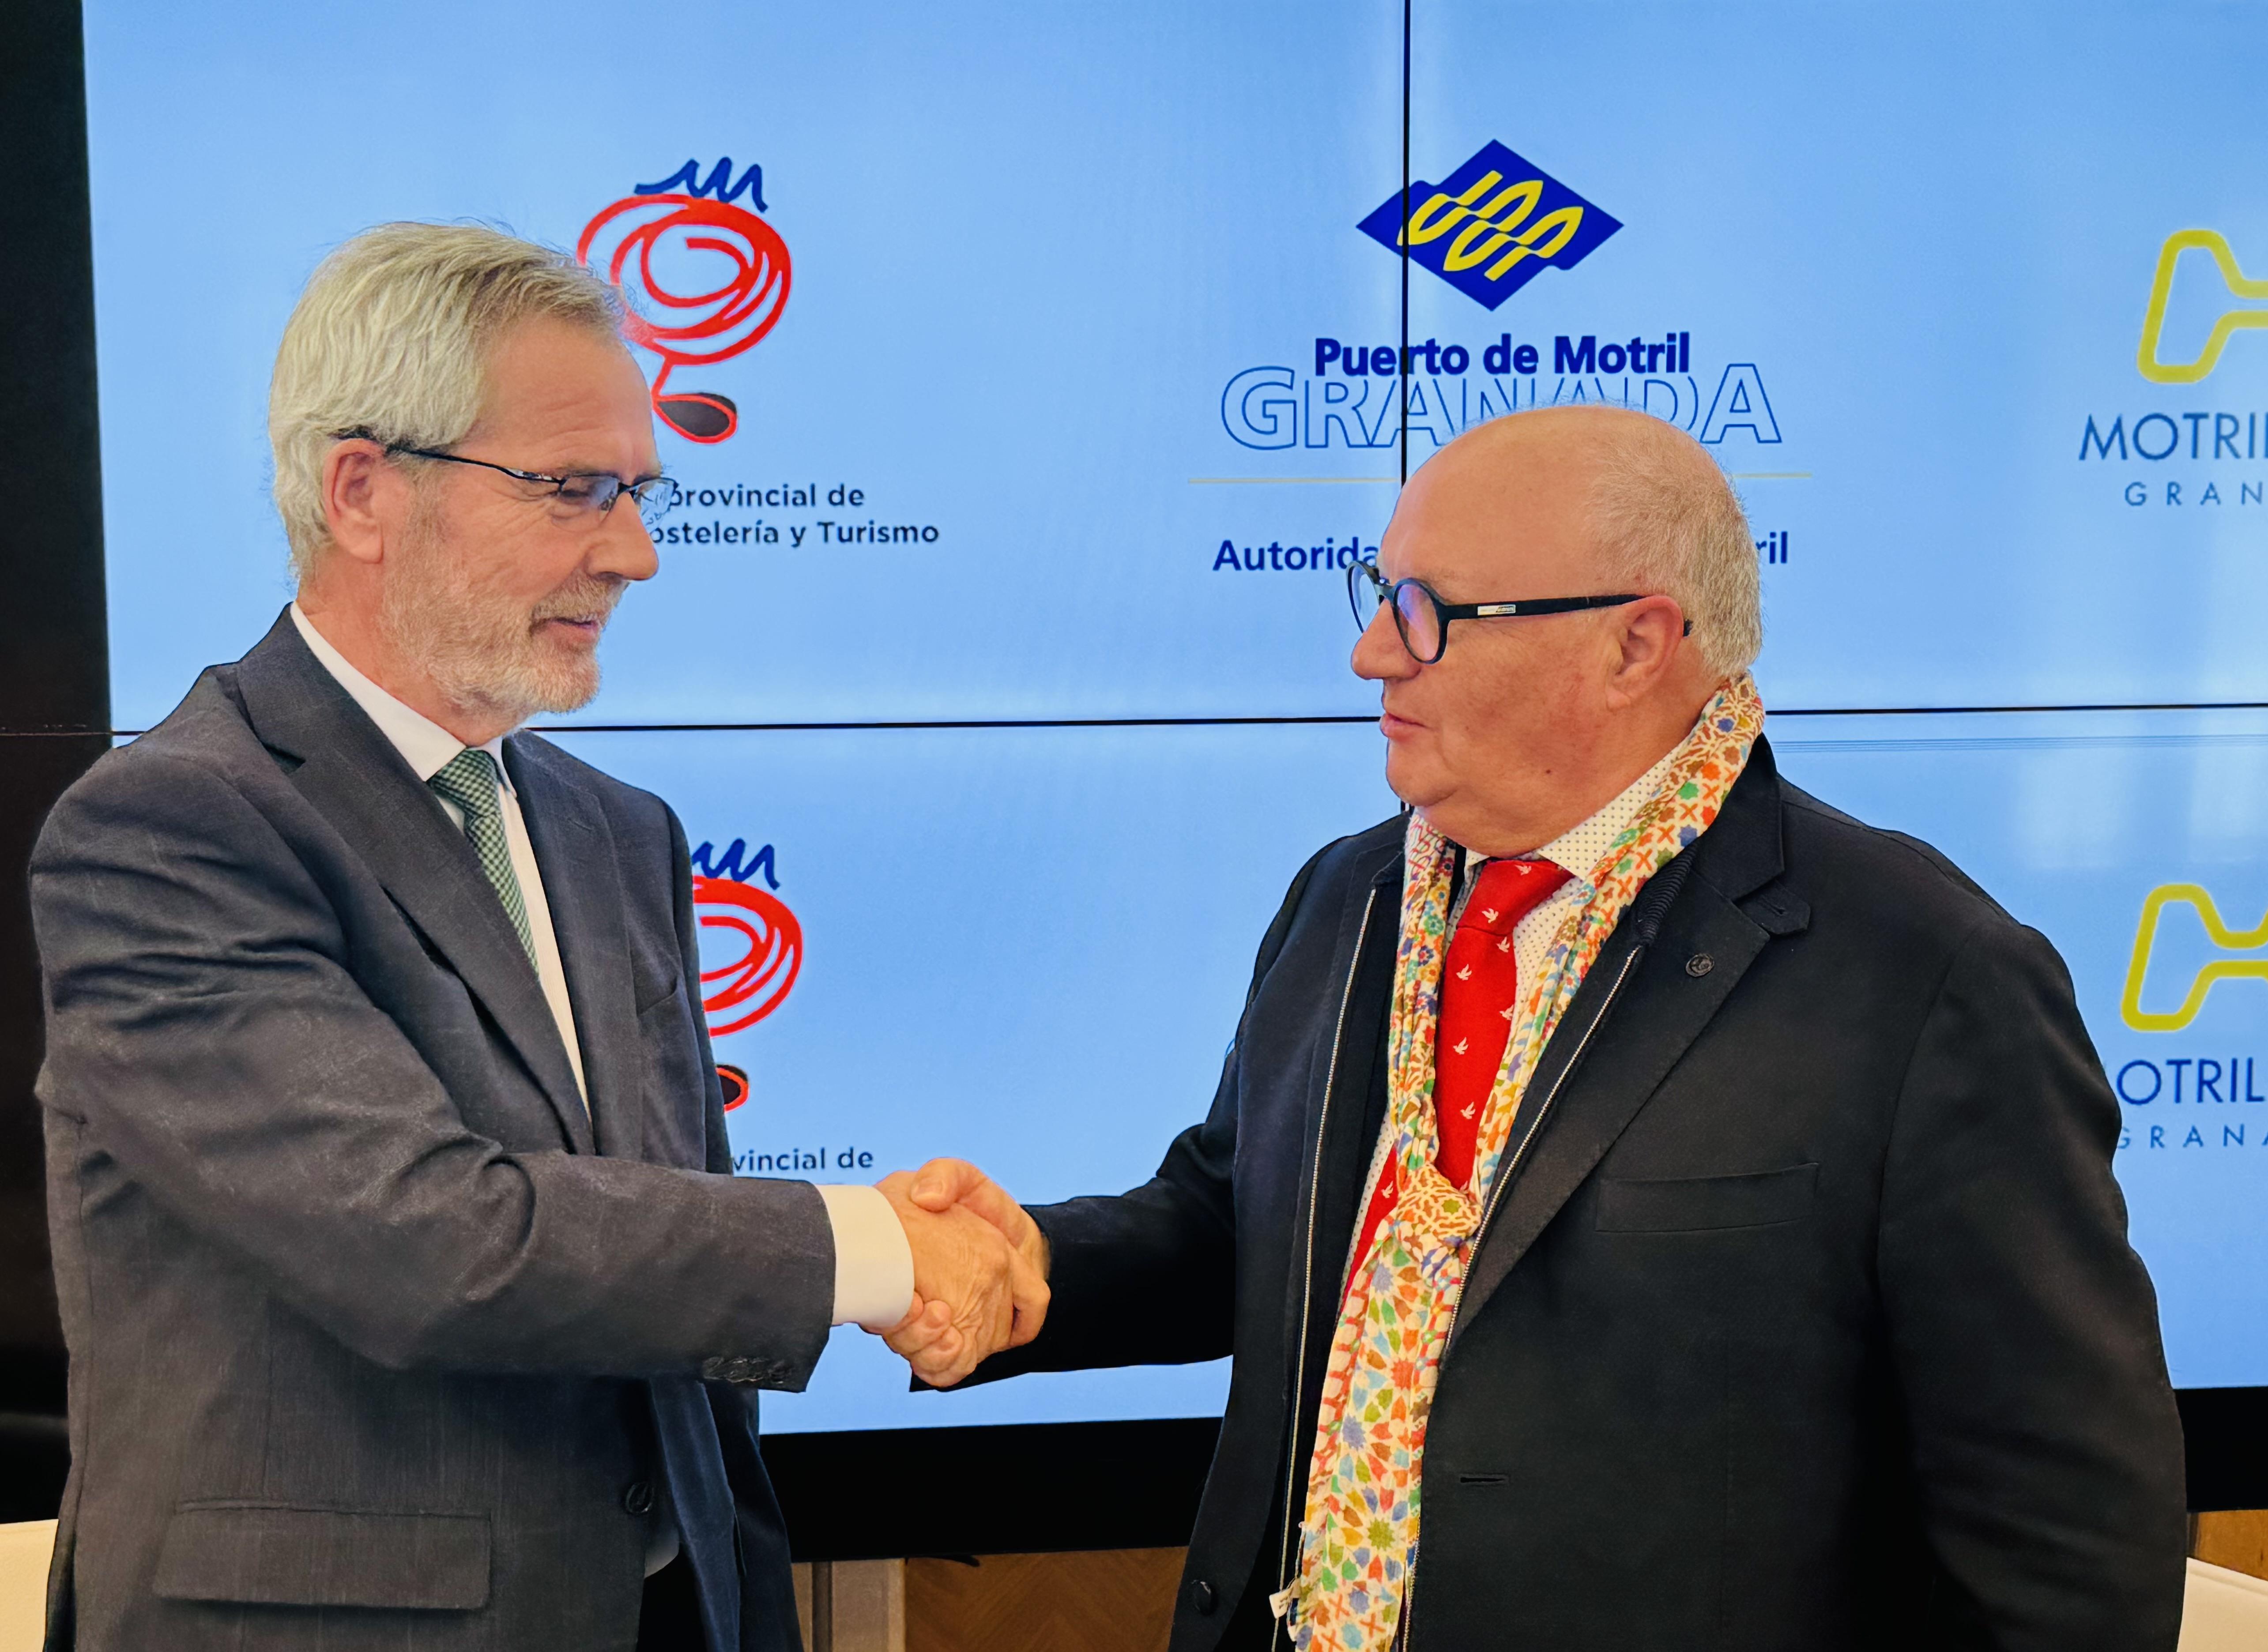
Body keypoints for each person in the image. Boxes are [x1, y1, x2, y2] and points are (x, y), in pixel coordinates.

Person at [890, 406, 2189, 1650]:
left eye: (1428, 613)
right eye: (1377, 595)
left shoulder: (1924, 975)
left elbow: (2064, 1538)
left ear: (1634, 645)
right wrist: (1034, 1265)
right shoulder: (1351, 895)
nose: (1372, 654)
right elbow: (1246, 1226)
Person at [30, 222, 1038, 1652]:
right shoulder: (174, 827)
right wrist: (875, 1251)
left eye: (638, 493)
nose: (635, 553)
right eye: (572, 490)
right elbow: (425, 1240)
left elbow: (654, 1254)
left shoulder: (612, 829)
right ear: (363, 491)